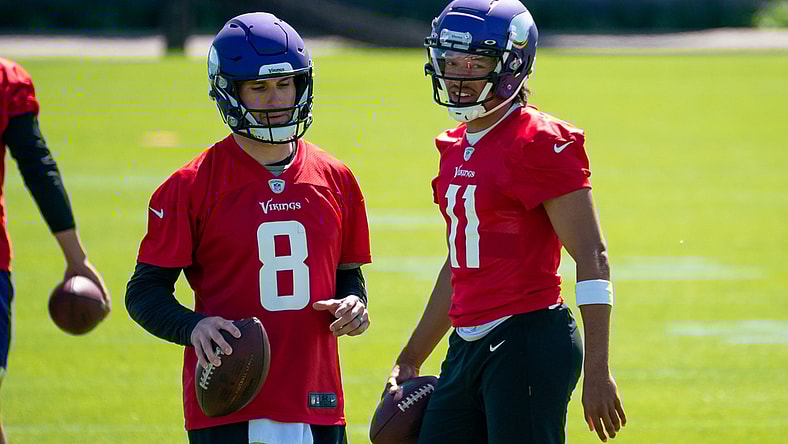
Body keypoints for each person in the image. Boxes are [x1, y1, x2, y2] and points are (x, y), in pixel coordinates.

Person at [384, 1, 627, 443]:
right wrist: (411, 355)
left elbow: (593, 256)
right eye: (450, 62)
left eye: (474, 63)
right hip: (465, 344)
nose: (457, 76)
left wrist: (598, 370)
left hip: (527, 340)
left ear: (511, 65)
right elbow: (460, 264)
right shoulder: (455, 146)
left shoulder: (539, 141)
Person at [125, 13, 372, 444]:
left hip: (318, 401)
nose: (276, 99)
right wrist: (194, 326)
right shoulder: (191, 186)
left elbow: (347, 274)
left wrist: (354, 303)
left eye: (284, 84)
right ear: (229, 92)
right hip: (231, 400)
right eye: (259, 88)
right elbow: (144, 293)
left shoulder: (336, 177)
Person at [0, 57, 110, 444]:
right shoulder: (5, 79)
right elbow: (37, 166)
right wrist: (76, 258)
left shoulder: (7, 81)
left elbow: (36, 166)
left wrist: (76, 258)